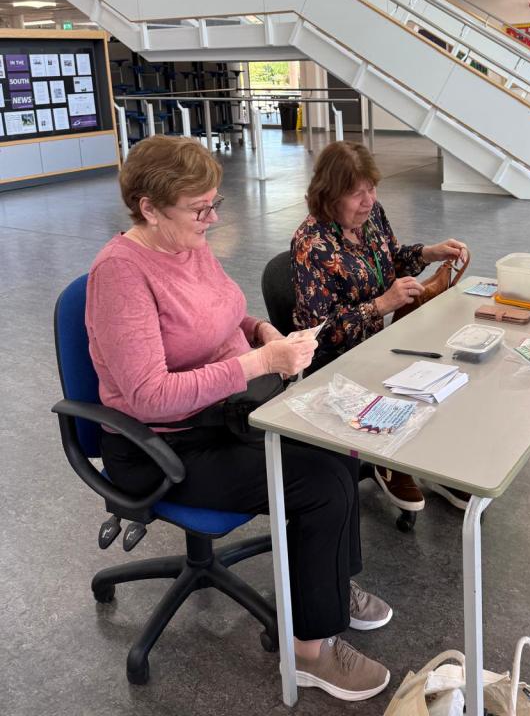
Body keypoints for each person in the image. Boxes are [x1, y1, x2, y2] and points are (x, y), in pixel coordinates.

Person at [85, 135, 392, 702]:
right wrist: (260, 362)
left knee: (341, 445)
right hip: (163, 446)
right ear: (149, 209)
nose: (213, 219)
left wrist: (261, 330)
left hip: (223, 413)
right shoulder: (121, 275)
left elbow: (221, 312)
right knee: (319, 485)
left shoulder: (186, 242)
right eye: (199, 209)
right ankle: (309, 652)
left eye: (215, 204)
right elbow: (150, 396)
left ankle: (329, 586)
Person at [292, 141, 468, 513]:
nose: (369, 200)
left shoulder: (371, 218)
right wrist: (381, 305)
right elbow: (317, 332)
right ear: (330, 195)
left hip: (378, 342)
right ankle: (386, 461)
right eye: (357, 194)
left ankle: (432, 462)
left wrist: (429, 252)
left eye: (372, 188)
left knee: (445, 371)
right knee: (416, 380)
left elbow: (390, 262)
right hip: (335, 363)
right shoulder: (312, 244)